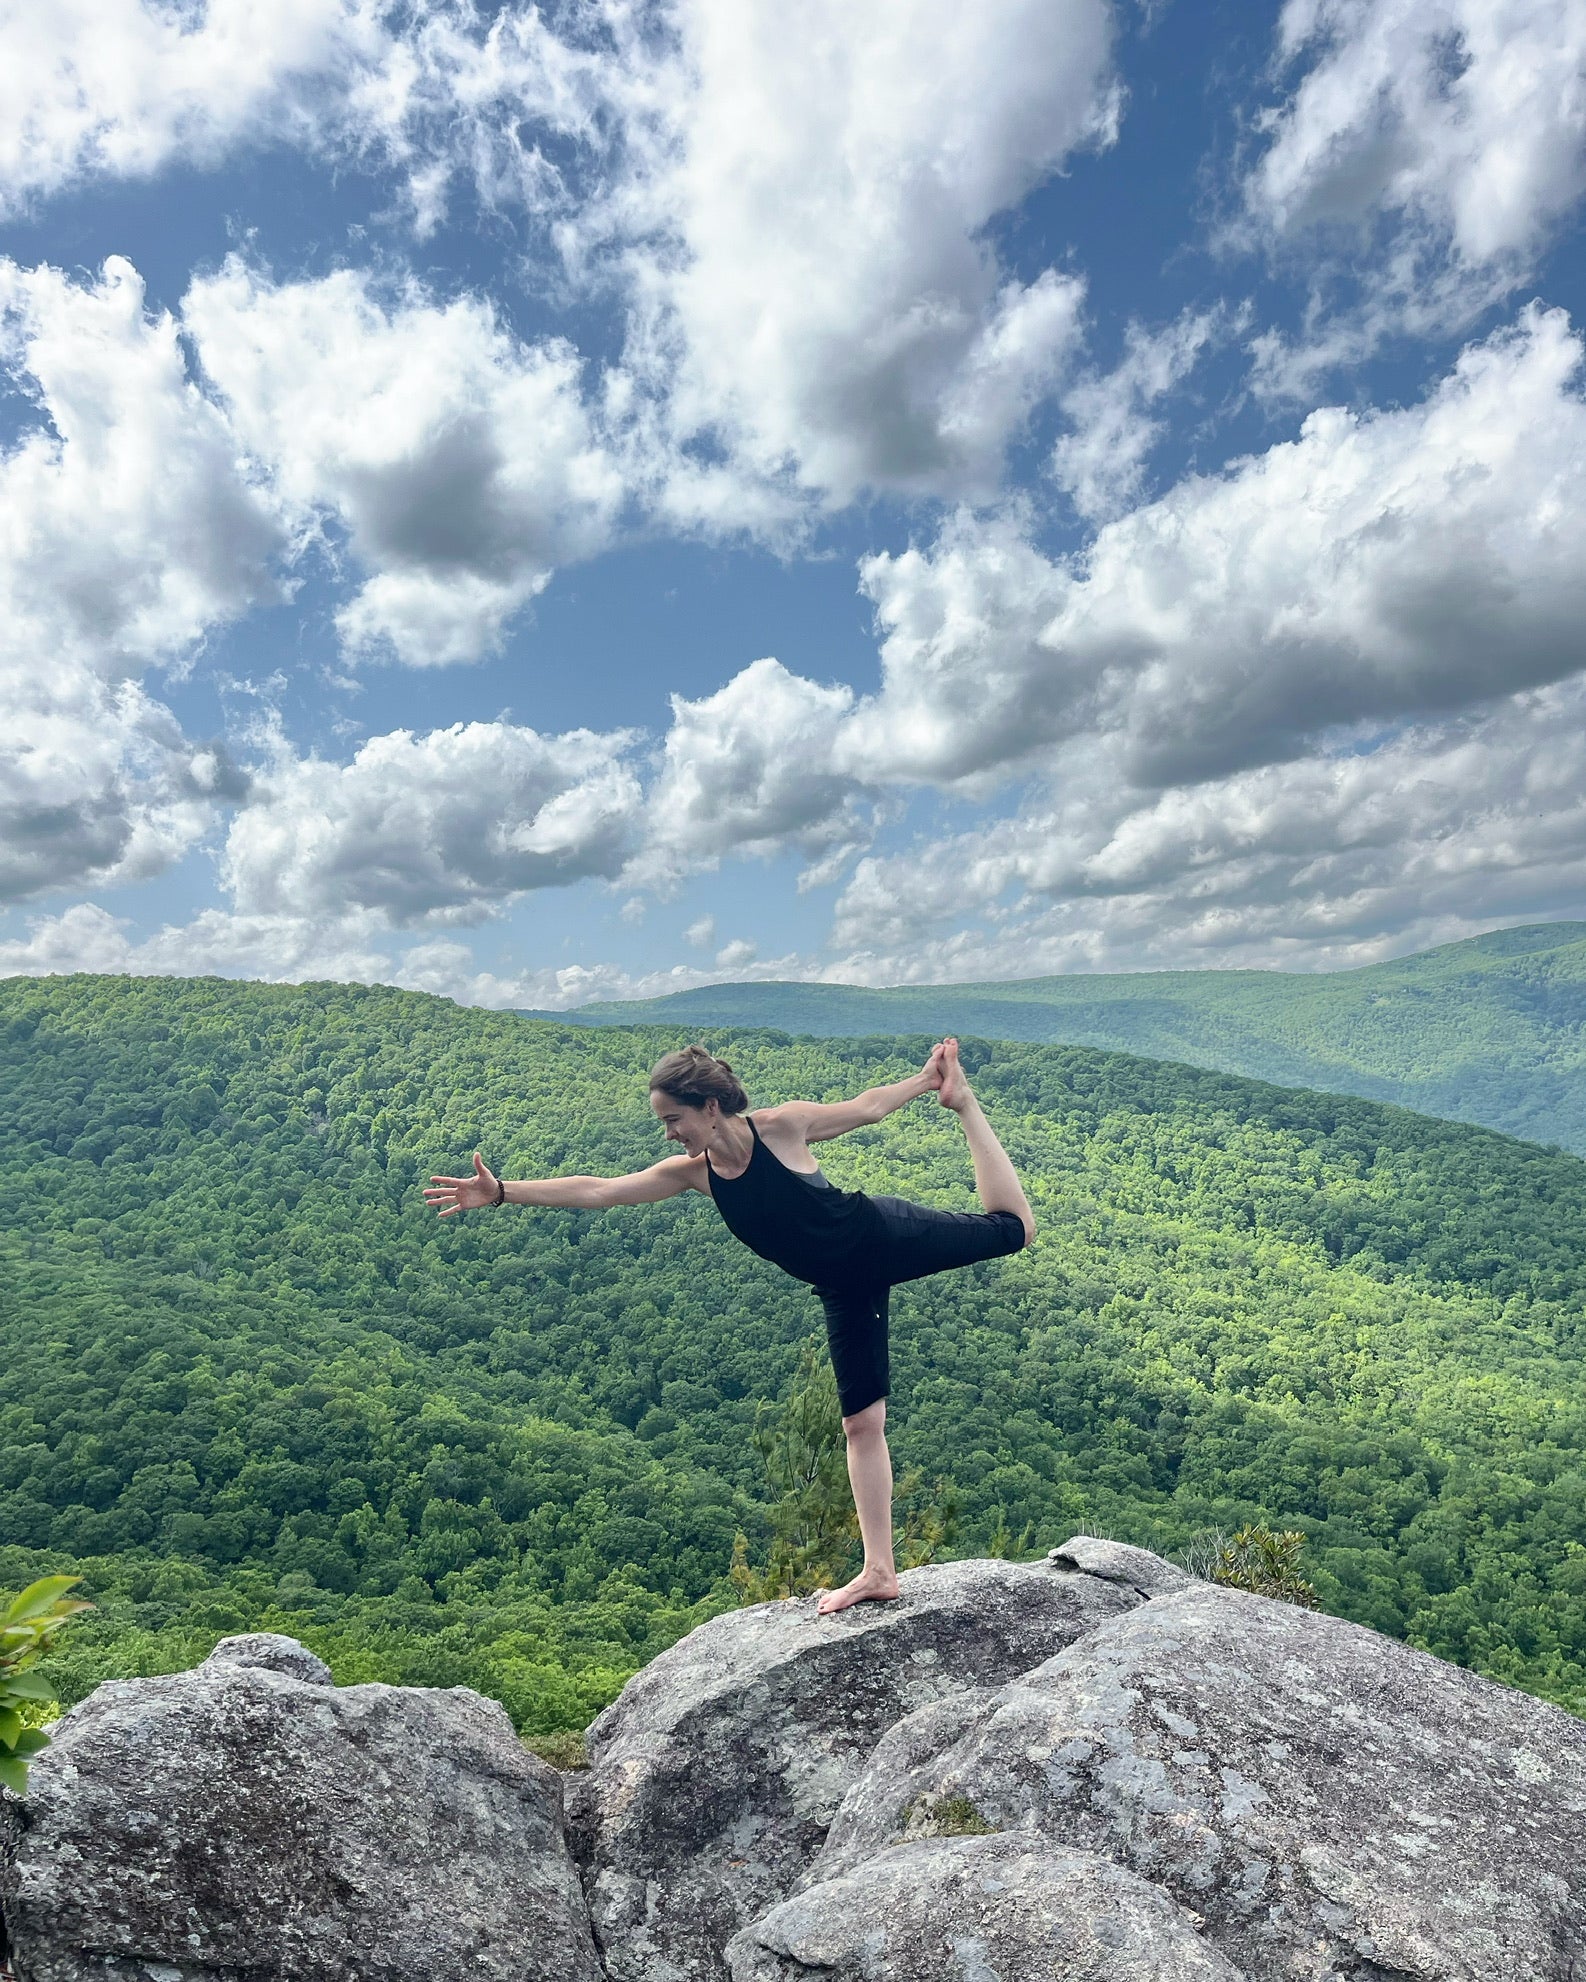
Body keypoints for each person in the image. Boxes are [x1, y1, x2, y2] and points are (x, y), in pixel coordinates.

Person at [424, 1038, 1034, 1613]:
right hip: (844, 1289)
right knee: (859, 1421)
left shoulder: (781, 1127)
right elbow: (601, 1191)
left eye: (673, 1119)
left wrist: (932, 1084)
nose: (669, 1133)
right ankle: (880, 1571)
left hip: (881, 1235)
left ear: (710, 1107)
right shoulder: (695, 1173)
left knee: (1013, 1231)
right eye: (663, 1123)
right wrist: (503, 1191)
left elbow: (868, 1109)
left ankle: (969, 1107)